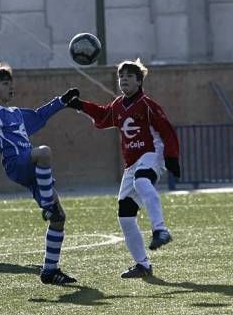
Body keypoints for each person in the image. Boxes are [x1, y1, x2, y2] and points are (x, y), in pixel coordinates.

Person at [66, 58, 180, 278]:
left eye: (129, 76)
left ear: (139, 81)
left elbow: (166, 130)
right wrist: (80, 105)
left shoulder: (147, 104)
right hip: (132, 164)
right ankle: (143, 265)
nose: (124, 79)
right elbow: (102, 115)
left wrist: (172, 157)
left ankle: (160, 229)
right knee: (125, 215)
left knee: (142, 181)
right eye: (121, 76)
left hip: (151, 154)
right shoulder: (119, 105)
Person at [0, 61, 80, 285]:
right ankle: (48, 206)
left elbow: (39, 116)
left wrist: (62, 101)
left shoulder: (16, 113)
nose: (11, 86)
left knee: (60, 218)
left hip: (32, 169)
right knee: (45, 152)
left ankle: (49, 271)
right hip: (16, 163)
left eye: (11, 82)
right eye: (5, 83)